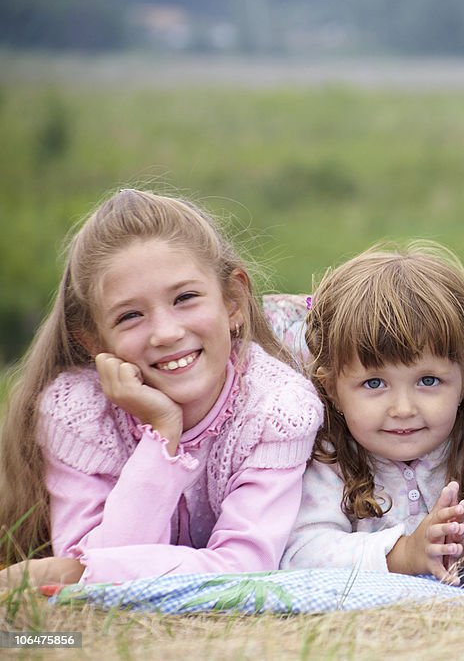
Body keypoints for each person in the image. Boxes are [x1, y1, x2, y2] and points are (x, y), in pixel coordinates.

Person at [0, 189, 323, 587]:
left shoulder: (277, 407)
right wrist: (162, 433)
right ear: (94, 341)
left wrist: (82, 571)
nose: (166, 333)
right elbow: (99, 583)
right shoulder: (78, 411)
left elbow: (245, 569)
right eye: (130, 316)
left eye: (185, 298)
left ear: (233, 301)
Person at [278, 243, 464, 582]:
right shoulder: (327, 454)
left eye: (428, 380)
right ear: (332, 388)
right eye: (374, 384)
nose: (403, 409)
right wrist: (404, 554)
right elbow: (301, 553)